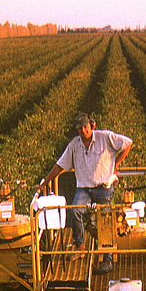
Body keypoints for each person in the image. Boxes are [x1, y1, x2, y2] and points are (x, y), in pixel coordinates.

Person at [39, 113, 132, 271]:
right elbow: (60, 165)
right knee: (75, 211)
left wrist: (116, 164)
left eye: (85, 127)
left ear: (92, 126)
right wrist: (45, 182)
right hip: (84, 188)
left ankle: (107, 259)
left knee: (105, 219)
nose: (83, 130)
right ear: (77, 130)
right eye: (80, 128)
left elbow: (127, 143)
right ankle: (79, 246)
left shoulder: (105, 137)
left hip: (103, 187)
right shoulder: (74, 145)